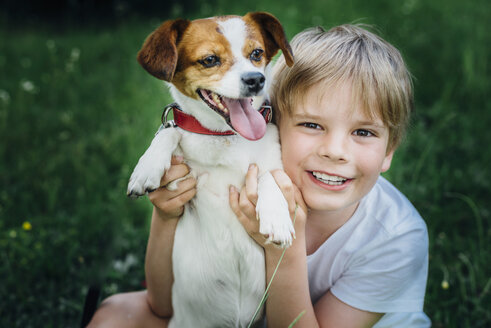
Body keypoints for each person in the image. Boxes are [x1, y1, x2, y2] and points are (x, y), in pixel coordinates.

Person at [88, 24, 430, 327]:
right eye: (312, 125)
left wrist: (285, 249)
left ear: (390, 150)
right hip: (240, 315)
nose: (334, 151)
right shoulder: (246, 179)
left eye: (364, 132)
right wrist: (165, 215)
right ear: (270, 119)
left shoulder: (396, 236)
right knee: (117, 313)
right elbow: (162, 305)